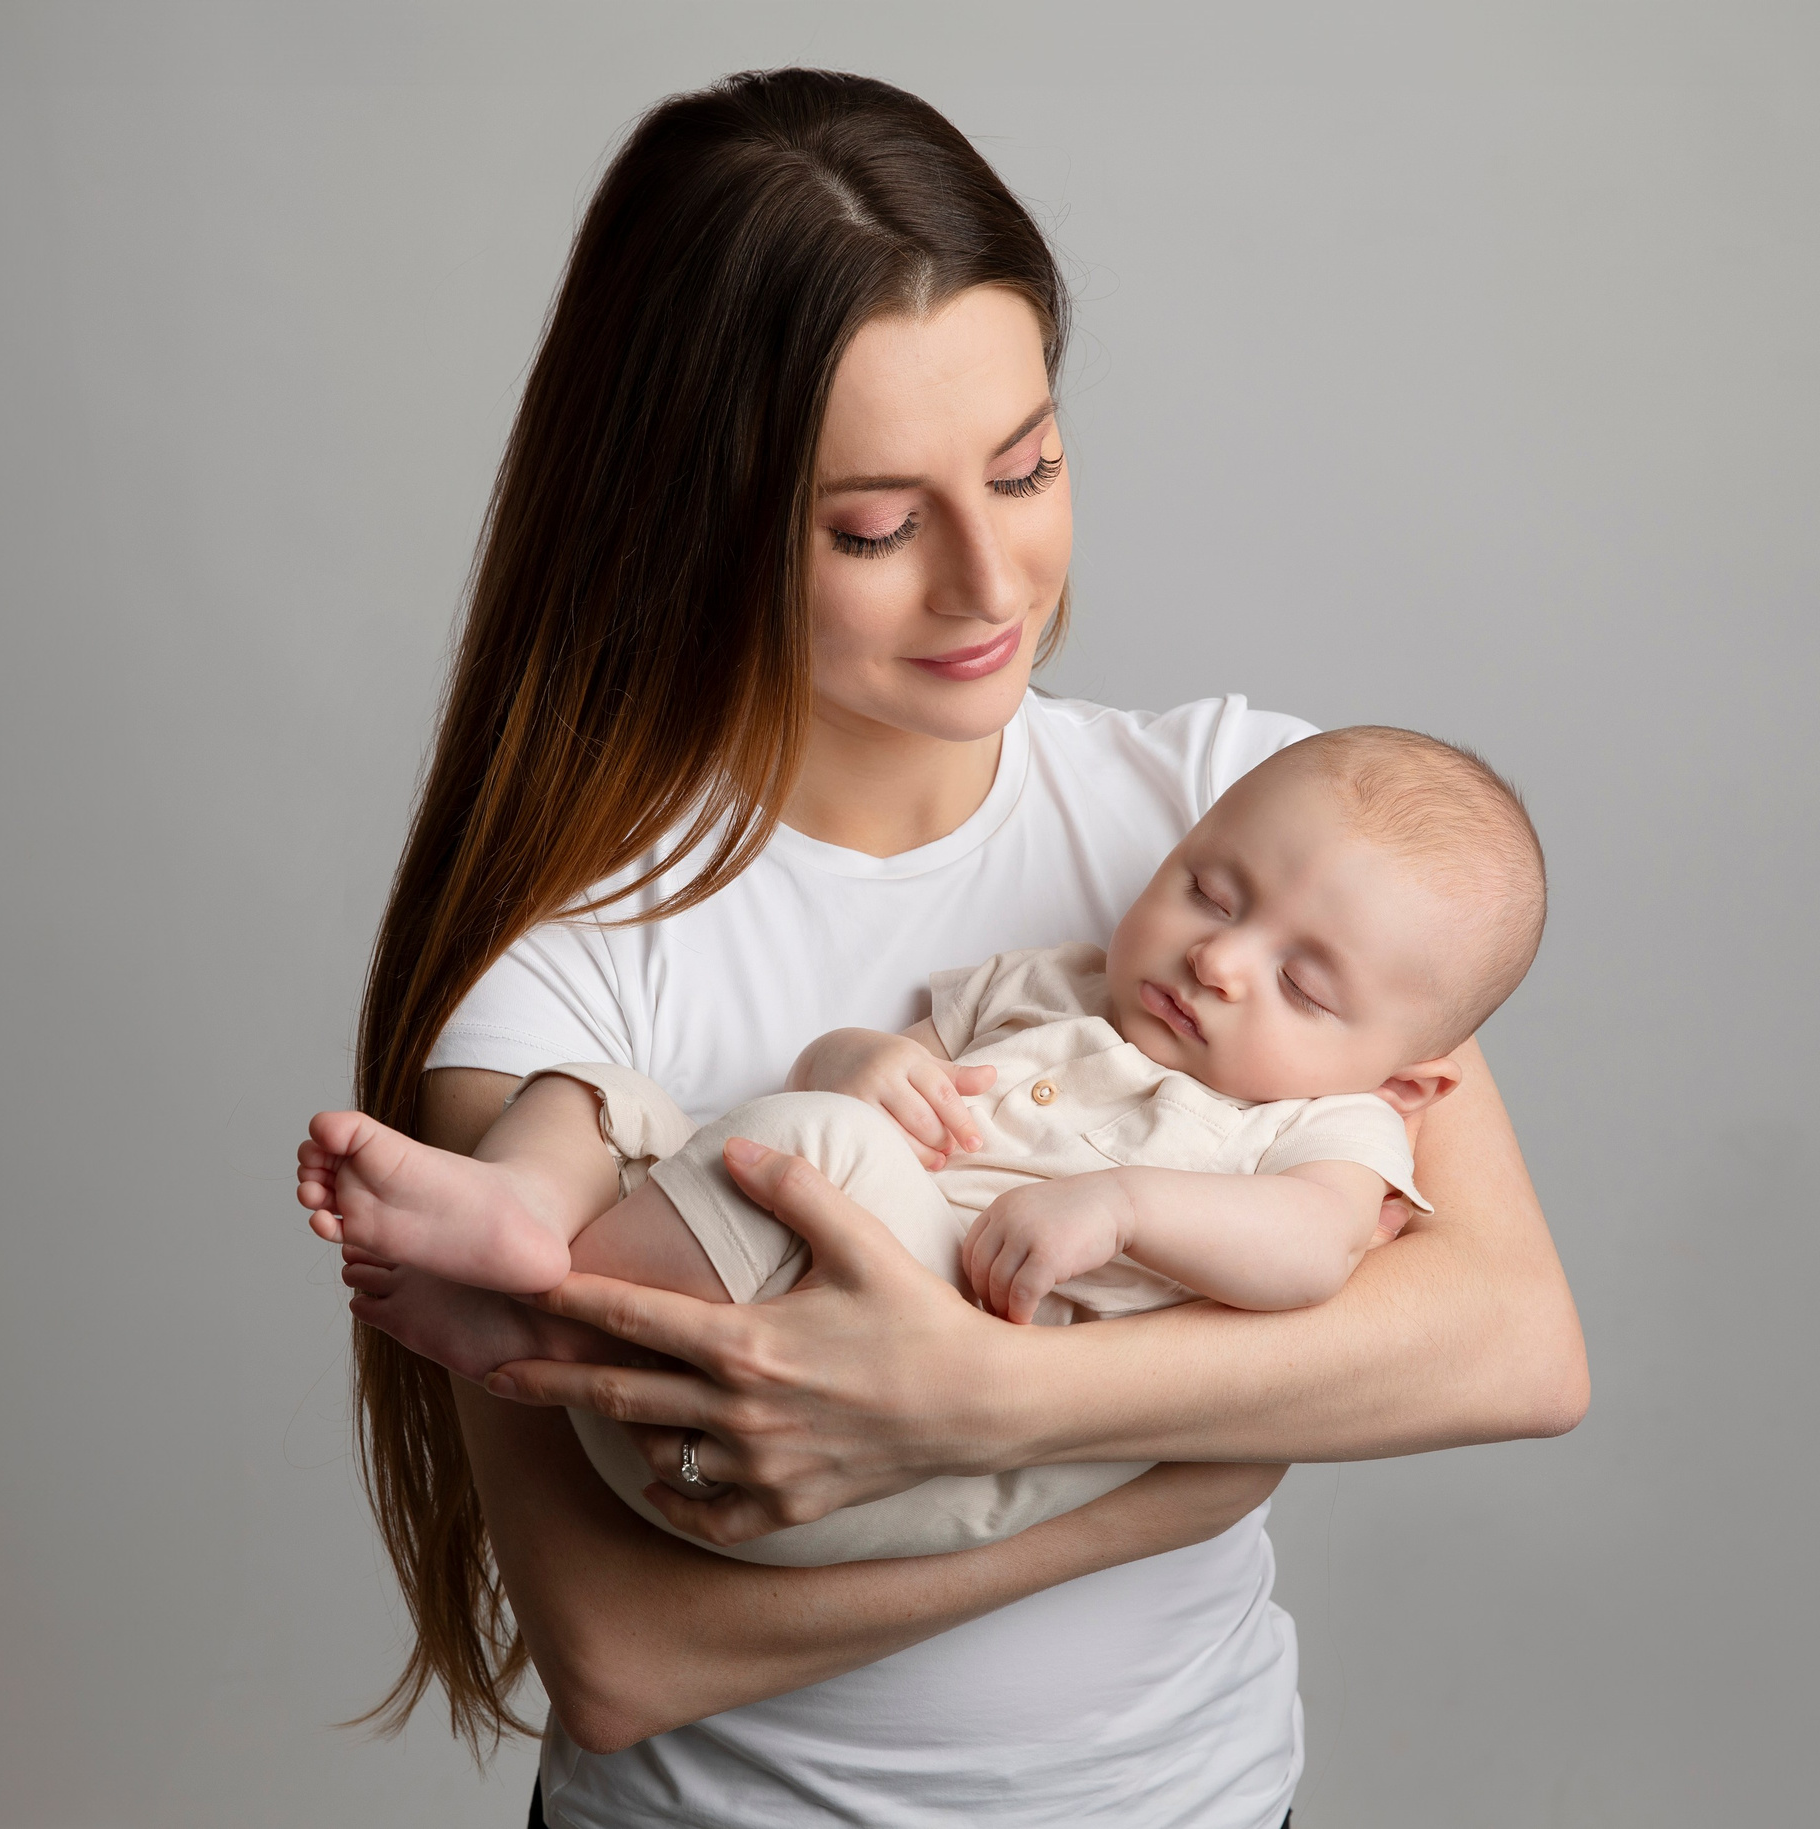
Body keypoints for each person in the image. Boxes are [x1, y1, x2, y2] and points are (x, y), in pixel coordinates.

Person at [332, 68, 1587, 1826]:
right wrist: (1175, 1474)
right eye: (875, 523)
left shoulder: (1253, 826)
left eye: (1028, 464)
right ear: (695, 519)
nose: (992, 580)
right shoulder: (569, 968)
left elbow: (1510, 1340)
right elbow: (625, 1652)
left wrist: (980, 1402)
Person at [301, 726, 1549, 1573]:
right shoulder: (1052, 983)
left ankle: (549, 1321)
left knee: (818, 1147)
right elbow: (866, 1060)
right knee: (611, 1093)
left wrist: (1122, 1208)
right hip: (738, 1319)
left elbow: (1305, 1251)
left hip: (876, 1449)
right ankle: (524, 1215)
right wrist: (856, 1057)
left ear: (1408, 1076)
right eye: (1210, 891)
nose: (1218, 959)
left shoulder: (1330, 1123)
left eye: (1303, 980)